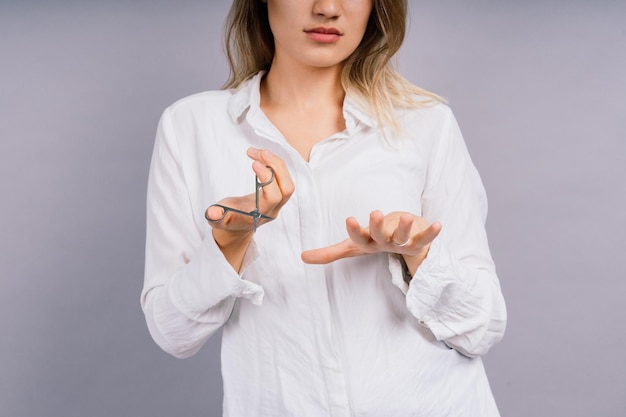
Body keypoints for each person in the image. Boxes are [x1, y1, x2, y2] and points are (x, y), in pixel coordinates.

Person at [141, 0, 507, 415]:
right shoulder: (191, 127)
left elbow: (483, 327)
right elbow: (173, 332)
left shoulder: (425, 123)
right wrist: (229, 242)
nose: (328, 8)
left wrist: (417, 254)